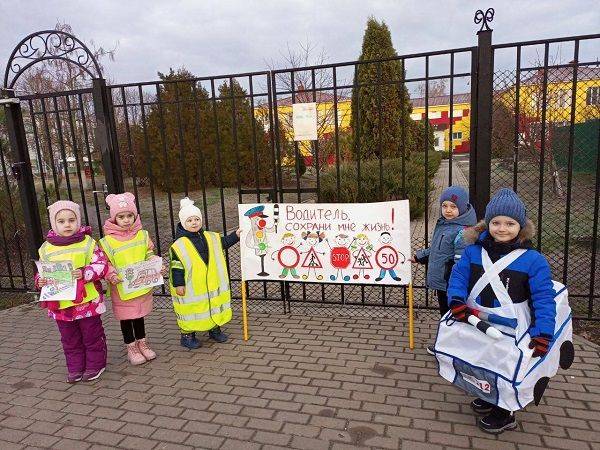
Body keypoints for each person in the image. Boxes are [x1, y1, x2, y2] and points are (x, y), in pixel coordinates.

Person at [447, 188, 556, 434]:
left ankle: (505, 412)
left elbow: (543, 299)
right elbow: (459, 277)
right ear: (487, 224)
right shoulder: (473, 252)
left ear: (521, 226)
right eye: (496, 222)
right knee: (484, 360)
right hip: (477, 319)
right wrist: (455, 300)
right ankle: (489, 396)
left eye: (510, 223)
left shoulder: (533, 260)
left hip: (513, 324)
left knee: (507, 365)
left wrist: (543, 332)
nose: (502, 228)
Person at [36, 200, 108, 383]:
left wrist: (85, 273)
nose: (67, 224)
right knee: (69, 339)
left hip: (87, 302)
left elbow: (102, 265)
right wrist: (40, 280)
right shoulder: (46, 248)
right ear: (54, 223)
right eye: (61, 221)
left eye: (71, 220)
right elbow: (42, 271)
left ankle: (95, 365)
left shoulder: (87, 243)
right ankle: (75, 368)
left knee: (92, 335)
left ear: (78, 221)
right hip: (62, 306)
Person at [100, 193, 165, 366]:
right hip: (121, 288)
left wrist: (155, 264)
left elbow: (148, 254)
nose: (126, 220)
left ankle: (142, 343)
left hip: (140, 286)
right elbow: (105, 262)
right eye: (121, 217)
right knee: (126, 318)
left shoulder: (142, 235)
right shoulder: (107, 242)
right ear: (114, 218)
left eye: (130, 216)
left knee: (139, 316)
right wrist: (111, 275)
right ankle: (131, 347)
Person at [411, 186, 476, 354]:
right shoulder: (446, 225)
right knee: (446, 314)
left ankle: (449, 348)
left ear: (462, 208)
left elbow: (461, 263)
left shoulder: (463, 231)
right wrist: (420, 256)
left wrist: (453, 281)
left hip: (451, 284)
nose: (448, 210)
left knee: (451, 315)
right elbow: (437, 249)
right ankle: (449, 346)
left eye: (453, 207)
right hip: (443, 282)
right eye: (444, 206)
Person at [170, 198, 240, 349]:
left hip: (210, 282)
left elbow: (224, 242)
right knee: (191, 311)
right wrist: (179, 284)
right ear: (183, 223)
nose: (194, 222)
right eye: (189, 220)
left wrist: (236, 235)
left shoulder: (210, 236)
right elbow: (176, 267)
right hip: (191, 287)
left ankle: (214, 329)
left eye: (197, 219)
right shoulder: (178, 245)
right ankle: (187, 335)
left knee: (212, 305)